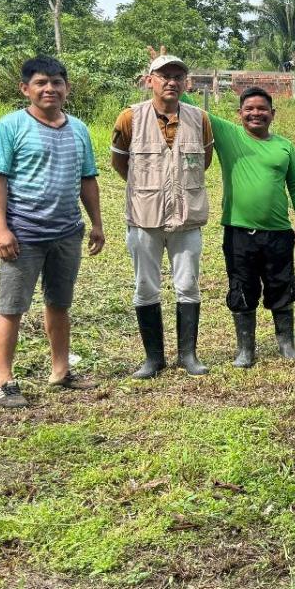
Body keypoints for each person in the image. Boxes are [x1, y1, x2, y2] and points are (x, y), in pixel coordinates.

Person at [0, 55, 104, 408]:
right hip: (24, 234)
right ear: (25, 89)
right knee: (11, 307)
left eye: (56, 82)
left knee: (60, 303)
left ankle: (61, 371)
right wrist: (0, 229)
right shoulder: (9, 127)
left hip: (67, 233)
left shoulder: (79, 129)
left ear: (67, 88)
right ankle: (3, 381)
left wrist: (96, 223)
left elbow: (87, 179)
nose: (49, 88)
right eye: (40, 83)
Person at [111, 50, 214, 378]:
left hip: (187, 217)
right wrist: (150, 190)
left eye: (178, 77)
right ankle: (153, 359)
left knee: (188, 285)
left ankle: (188, 356)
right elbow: (120, 163)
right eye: (164, 76)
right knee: (145, 286)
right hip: (144, 217)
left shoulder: (200, 118)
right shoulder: (130, 118)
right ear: (149, 81)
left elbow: (204, 161)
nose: (171, 82)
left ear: (186, 83)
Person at [200, 86, 295, 368]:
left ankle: (286, 344)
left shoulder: (285, 146)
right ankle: (245, 349)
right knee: (241, 286)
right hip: (239, 232)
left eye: (262, 109)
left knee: (282, 284)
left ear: (273, 113)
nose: (255, 113)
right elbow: (191, 107)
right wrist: (167, 78)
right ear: (239, 113)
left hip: (279, 233)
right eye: (249, 109)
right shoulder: (228, 135)